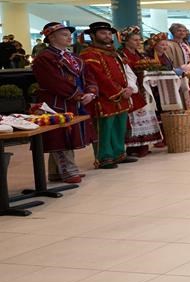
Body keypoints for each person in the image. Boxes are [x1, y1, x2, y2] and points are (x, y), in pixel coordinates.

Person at [31, 23, 98, 183]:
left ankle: (56, 172)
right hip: (55, 103)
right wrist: (78, 95)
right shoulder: (44, 58)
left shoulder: (74, 56)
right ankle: (68, 171)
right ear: (51, 38)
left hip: (75, 102)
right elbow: (53, 82)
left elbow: (88, 76)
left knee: (69, 134)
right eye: (64, 35)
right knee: (60, 135)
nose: (69, 37)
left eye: (69, 34)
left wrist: (91, 92)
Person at [81, 22, 136, 169]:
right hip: (104, 97)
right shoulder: (89, 54)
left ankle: (119, 153)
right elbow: (99, 77)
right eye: (102, 33)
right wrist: (119, 91)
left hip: (121, 95)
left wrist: (128, 88)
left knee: (120, 126)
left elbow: (124, 71)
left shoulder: (113, 52)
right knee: (105, 128)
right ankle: (104, 157)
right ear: (92, 35)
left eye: (108, 33)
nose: (107, 36)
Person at [119, 26, 164, 156]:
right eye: (135, 40)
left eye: (139, 40)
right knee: (133, 118)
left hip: (144, 89)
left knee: (146, 115)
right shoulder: (121, 54)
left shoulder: (140, 54)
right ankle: (133, 147)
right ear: (126, 41)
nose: (138, 43)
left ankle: (143, 145)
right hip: (131, 89)